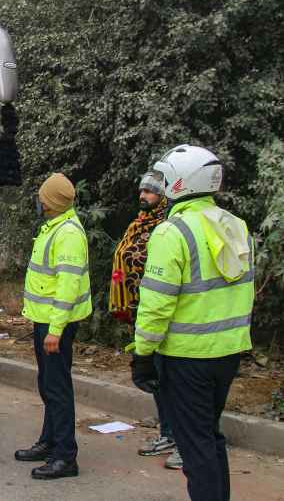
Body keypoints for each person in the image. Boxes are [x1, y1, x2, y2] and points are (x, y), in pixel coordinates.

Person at [131, 145, 254, 501]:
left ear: (181, 182)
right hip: (228, 354)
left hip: (188, 358)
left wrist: (143, 355)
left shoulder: (172, 232)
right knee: (209, 438)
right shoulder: (236, 226)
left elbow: (155, 306)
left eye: (166, 178)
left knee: (195, 446)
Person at [15, 173, 92, 480]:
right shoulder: (55, 227)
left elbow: (68, 285)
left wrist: (56, 331)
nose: (39, 200)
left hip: (54, 324)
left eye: (43, 197)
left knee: (57, 389)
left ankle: (65, 457)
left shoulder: (68, 234)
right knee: (48, 385)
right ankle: (49, 442)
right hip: (45, 320)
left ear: (52, 202)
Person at [110, 171, 182, 469]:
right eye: (142, 191)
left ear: (163, 197)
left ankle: (183, 441)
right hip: (144, 312)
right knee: (158, 377)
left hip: (166, 314)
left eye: (150, 192)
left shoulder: (168, 228)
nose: (144, 196)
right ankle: (168, 432)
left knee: (175, 380)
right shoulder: (139, 224)